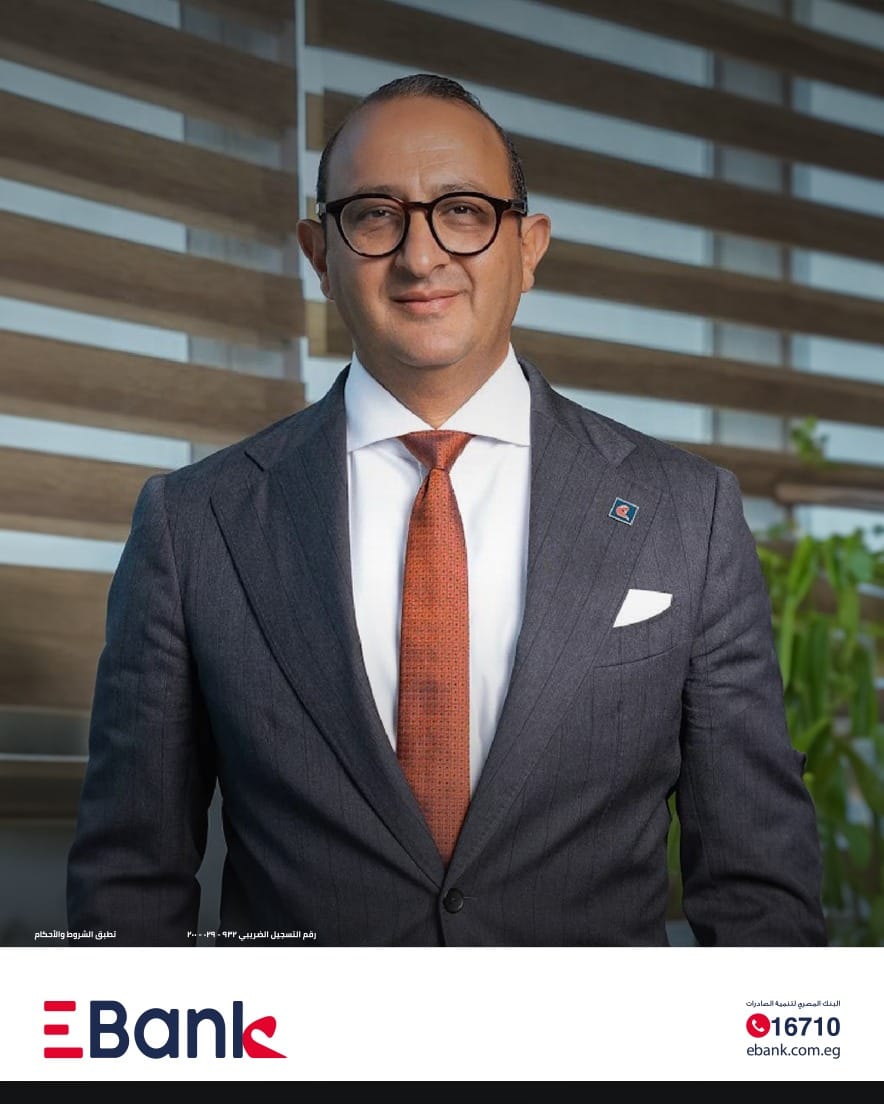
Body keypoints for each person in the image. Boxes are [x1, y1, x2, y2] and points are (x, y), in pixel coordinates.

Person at [66, 72, 828, 947]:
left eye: (463, 212)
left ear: (529, 247)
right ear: (319, 255)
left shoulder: (687, 513)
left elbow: (759, 887)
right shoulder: (192, 523)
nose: (420, 257)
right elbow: (128, 886)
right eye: (374, 215)